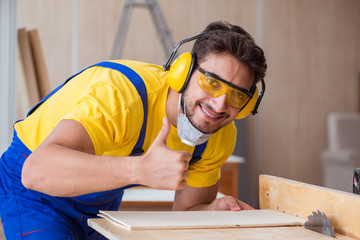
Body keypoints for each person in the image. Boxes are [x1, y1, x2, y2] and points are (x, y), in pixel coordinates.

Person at [0, 20, 267, 239]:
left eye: (236, 96)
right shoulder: (121, 96)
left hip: (99, 200)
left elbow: (187, 210)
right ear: (182, 72)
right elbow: (36, 172)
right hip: (34, 187)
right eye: (212, 83)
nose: (220, 104)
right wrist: (140, 169)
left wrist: (211, 210)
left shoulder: (218, 137)